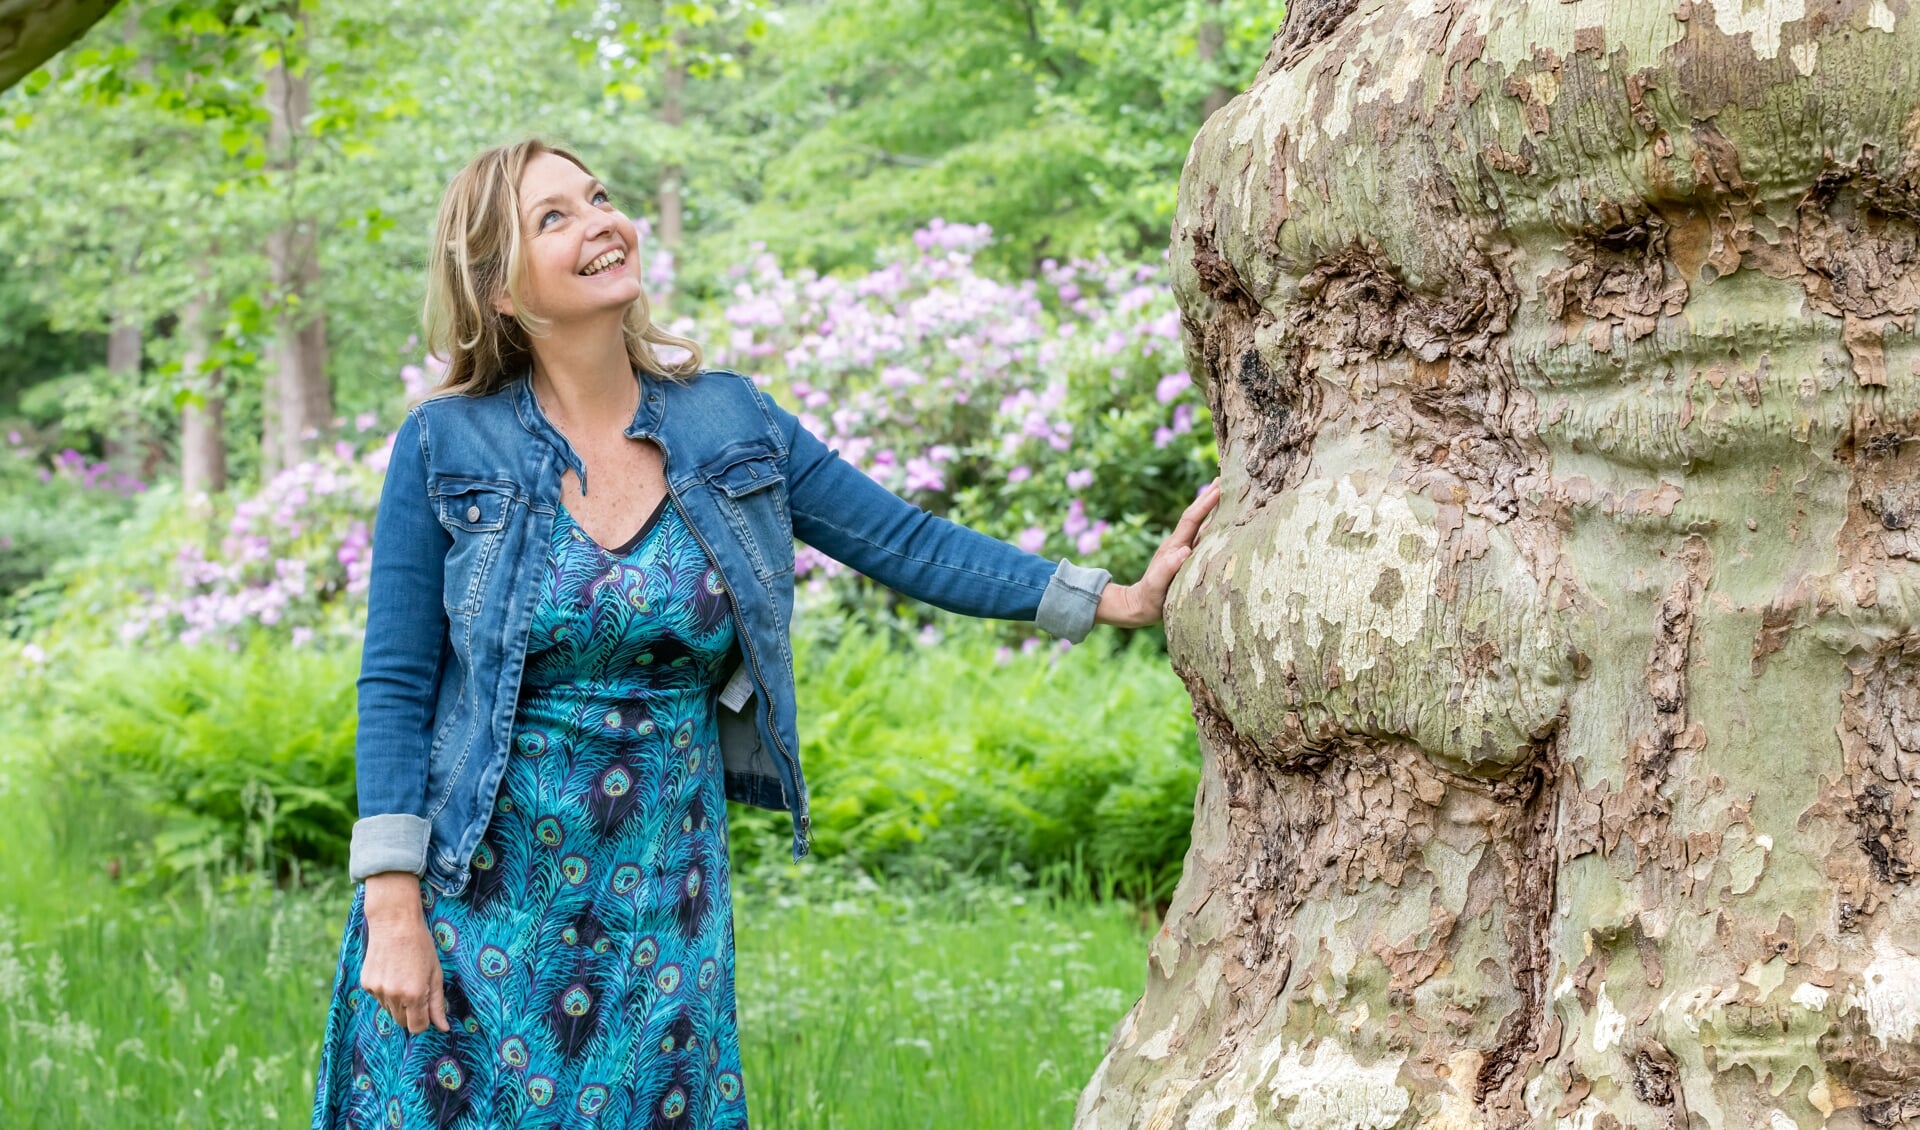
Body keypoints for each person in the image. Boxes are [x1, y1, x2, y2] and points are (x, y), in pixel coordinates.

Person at [308, 138, 1221, 1130]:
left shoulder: (731, 422)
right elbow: (397, 682)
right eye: (553, 217)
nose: (601, 220)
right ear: (497, 289)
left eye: (600, 197)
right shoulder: (446, 445)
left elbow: (904, 539)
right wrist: (394, 907)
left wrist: (1108, 596)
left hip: (662, 893)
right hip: (473, 890)